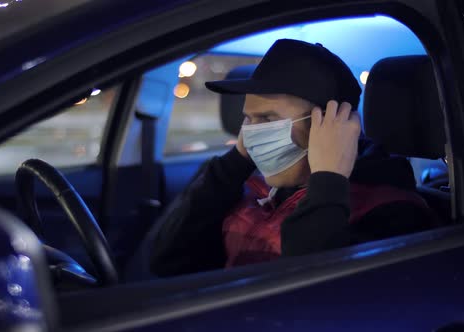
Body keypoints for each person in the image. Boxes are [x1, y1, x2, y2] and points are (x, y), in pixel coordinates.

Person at [149, 39, 435, 276]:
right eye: (248, 119)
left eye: (267, 118)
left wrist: (328, 181)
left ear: (331, 124)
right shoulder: (252, 189)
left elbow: (311, 298)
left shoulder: (392, 214)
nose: (251, 133)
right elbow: (168, 263)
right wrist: (235, 162)